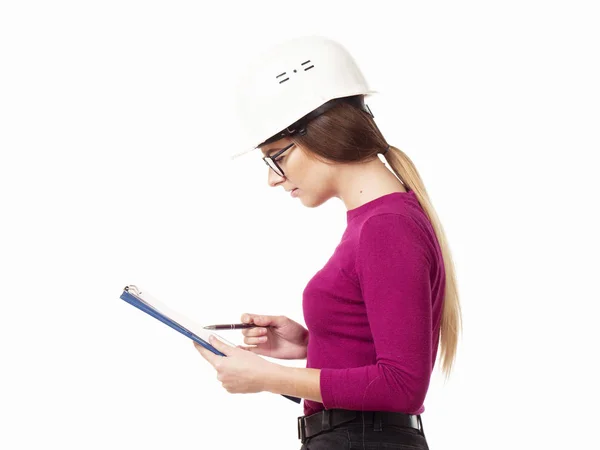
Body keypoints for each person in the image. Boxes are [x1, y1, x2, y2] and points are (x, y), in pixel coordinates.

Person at [194, 36, 462, 449]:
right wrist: (318, 343)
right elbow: (380, 358)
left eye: (277, 156)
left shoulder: (386, 226)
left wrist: (265, 376)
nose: (273, 178)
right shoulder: (377, 221)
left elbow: (401, 386)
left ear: (323, 131)